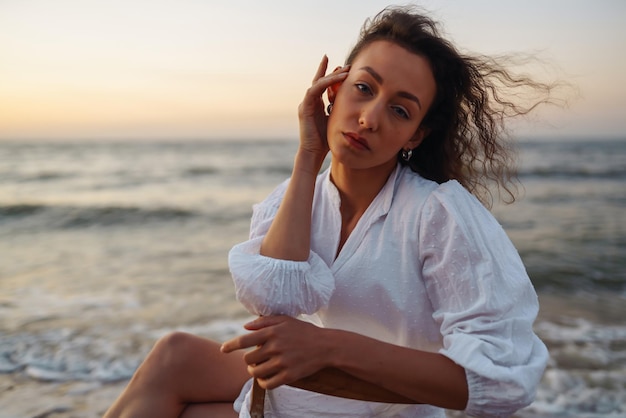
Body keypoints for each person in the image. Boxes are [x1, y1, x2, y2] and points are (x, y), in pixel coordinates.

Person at [104, 5, 554, 418]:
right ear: (332, 90)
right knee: (174, 355)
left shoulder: (439, 213)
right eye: (363, 88)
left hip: (375, 408)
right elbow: (273, 303)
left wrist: (329, 346)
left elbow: (503, 383)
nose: (369, 118)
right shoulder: (299, 195)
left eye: (399, 110)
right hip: (313, 395)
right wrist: (307, 156)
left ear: (415, 135)